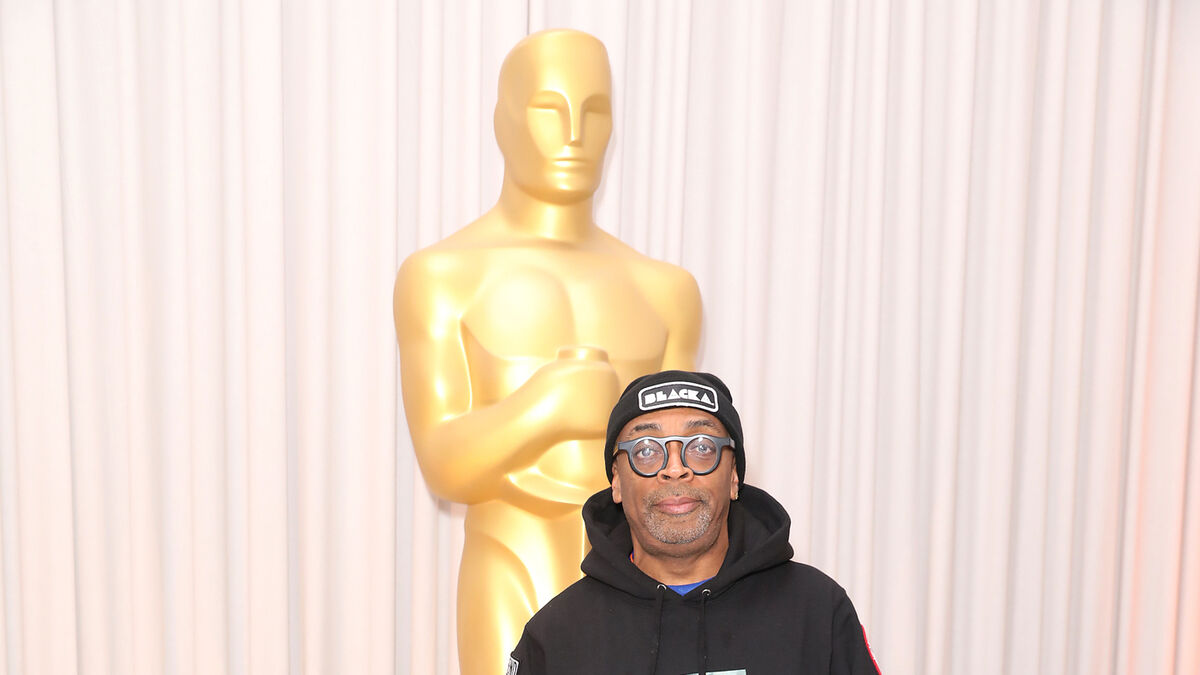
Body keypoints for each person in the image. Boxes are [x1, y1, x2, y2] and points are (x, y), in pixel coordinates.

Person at [392, 30, 701, 675]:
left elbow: (687, 471)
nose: (574, 134)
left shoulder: (666, 292)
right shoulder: (444, 277)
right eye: (548, 109)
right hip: (511, 558)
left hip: (637, 579)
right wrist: (546, 406)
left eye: (594, 111)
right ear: (502, 122)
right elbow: (444, 465)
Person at [508, 370, 882, 674]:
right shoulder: (556, 637)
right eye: (646, 450)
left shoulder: (816, 613)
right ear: (617, 482)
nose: (675, 468)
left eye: (702, 447)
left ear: (733, 476)